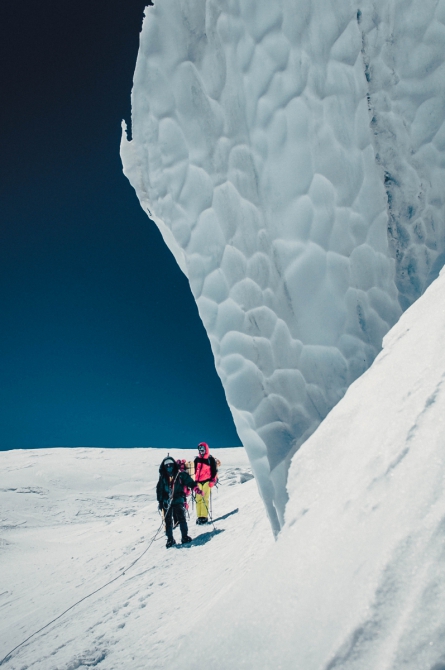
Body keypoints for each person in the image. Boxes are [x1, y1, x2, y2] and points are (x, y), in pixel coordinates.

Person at [156, 456, 203, 548]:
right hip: (167, 502)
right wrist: (161, 501)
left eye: (170, 464)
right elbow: (159, 490)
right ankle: (170, 539)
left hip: (178, 499)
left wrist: (196, 489)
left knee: (181, 519)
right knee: (168, 521)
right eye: (167, 465)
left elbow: (190, 482)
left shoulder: (180, 474)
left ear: (174, 465)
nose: (169, 466)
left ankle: (184, 537)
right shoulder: (163, 477)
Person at [194, 442, 219, 525]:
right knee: (198, 499)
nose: (201, 451)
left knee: (205, 498)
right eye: (200, 450)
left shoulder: (210, 459)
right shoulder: (196, 459)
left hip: (207, 481)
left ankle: (204, 517)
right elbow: (194, 471)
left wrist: (212, 480)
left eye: (203, 450)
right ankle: (199, 516)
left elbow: (214, 471)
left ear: (206, 449)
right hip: (198, 482)